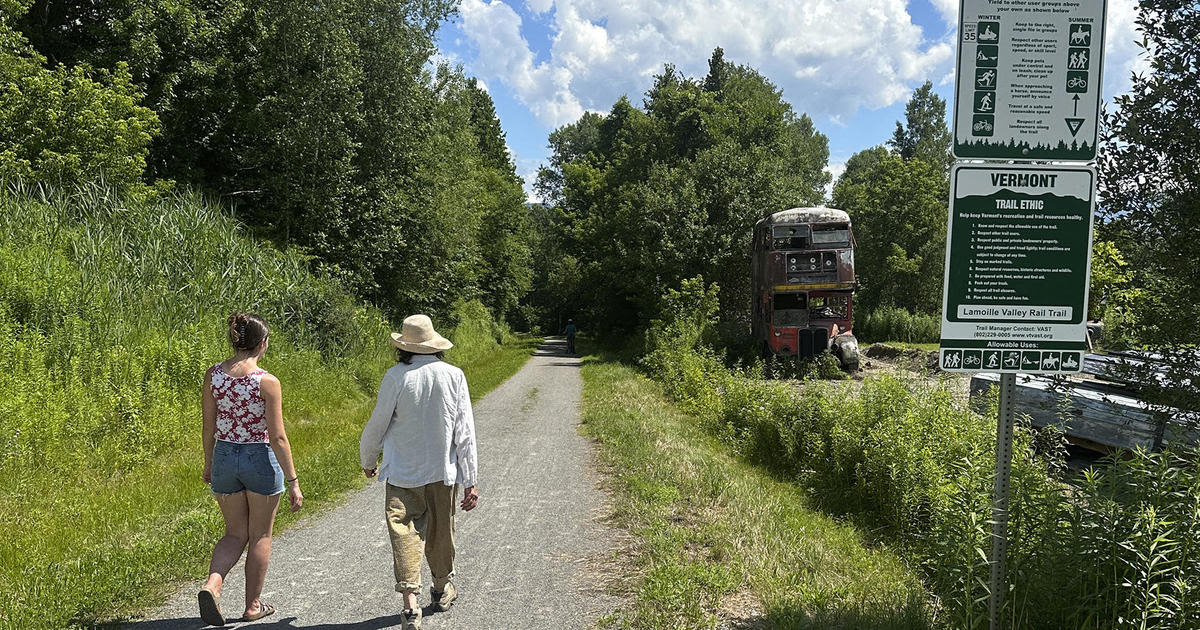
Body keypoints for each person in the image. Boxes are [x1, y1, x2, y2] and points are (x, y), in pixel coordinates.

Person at [360, 314, 479, 630]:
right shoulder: (454, 375)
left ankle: (410, 606)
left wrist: (368, 459)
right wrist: (471, 480)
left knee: (404, 532)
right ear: (435, 345)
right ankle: (441, 589)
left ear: (404, 347)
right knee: (442, 531)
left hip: (402, 473)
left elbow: (378, 423)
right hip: (442, 471)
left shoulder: (396, 376)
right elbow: (464, 431)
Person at [198, 312, 303, 626]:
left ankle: (212, 585)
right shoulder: (267, 382)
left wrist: (209, 463)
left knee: (234, 534)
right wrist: (293, 480)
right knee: (259, 535)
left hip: (225, 457)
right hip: (259, 457)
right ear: (262, 343)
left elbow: (207, 427)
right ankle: (252, 606)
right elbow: (278, 436)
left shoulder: (213, 375)